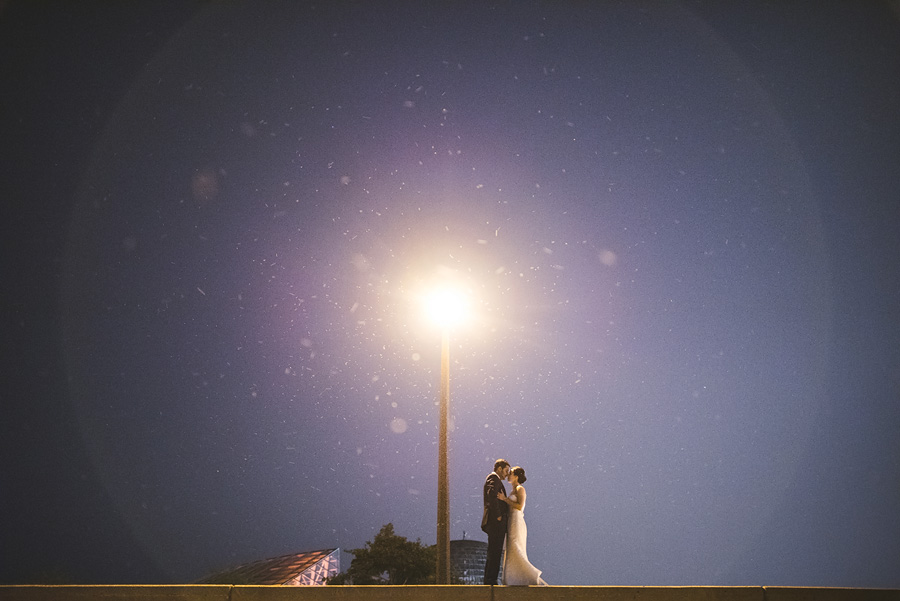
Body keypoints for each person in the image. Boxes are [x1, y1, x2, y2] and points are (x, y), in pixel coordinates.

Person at [497, 466, 547, 585]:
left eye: (511, 473)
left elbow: (519, 506)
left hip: (517, 521)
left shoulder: (520, 489)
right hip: (511, 521)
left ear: (516, 476)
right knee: (511, 547)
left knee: (516, 546)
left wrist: (505, 499)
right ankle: (512, 577)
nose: (509, 475)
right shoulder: (513, 490)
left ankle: (527, 576)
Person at [481, 458, 510, 585]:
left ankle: (490, 579)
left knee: (495, 551)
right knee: (494, 552)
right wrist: (498, 515)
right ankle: (490, 580)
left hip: (496, 523)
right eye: (506, 470)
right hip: (495, 523)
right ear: (499, 468)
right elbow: (492, 496)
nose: (507, 474)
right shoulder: (493, 479)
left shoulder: (495, 479)